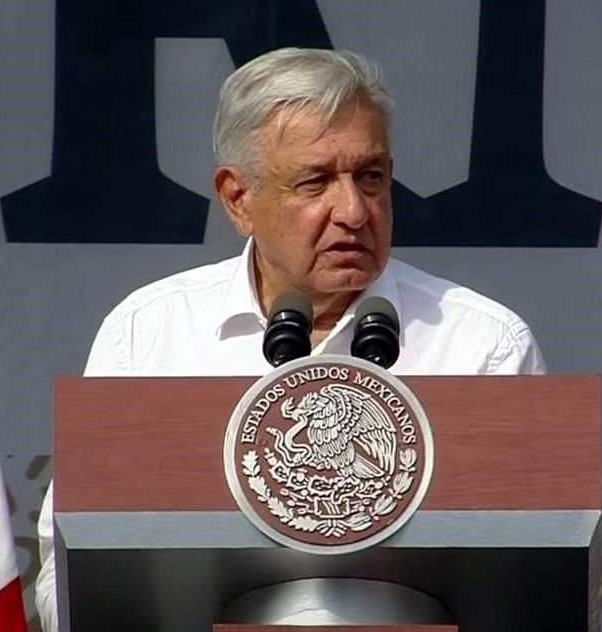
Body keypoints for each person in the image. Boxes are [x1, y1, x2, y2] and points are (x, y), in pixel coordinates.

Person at [33, 47, 545, 631]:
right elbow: (66, 570)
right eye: (315, 181)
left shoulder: (482, 343)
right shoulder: (148, 332)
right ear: (237, 199)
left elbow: (534, 580)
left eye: (371, 176)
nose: (353, 210)